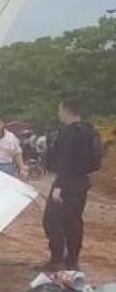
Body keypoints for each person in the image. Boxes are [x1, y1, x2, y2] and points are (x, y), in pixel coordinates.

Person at [41, 99, 101, 271]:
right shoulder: (89, 130)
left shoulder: (69, 132)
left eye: (59, 110)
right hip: (82, 182)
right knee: (74, 221)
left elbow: (65, 160)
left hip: (67, 183)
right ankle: (72, 260)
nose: (58, 113)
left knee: (52, 220)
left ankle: (57, 259)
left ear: (66, 111)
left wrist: (59, 186)